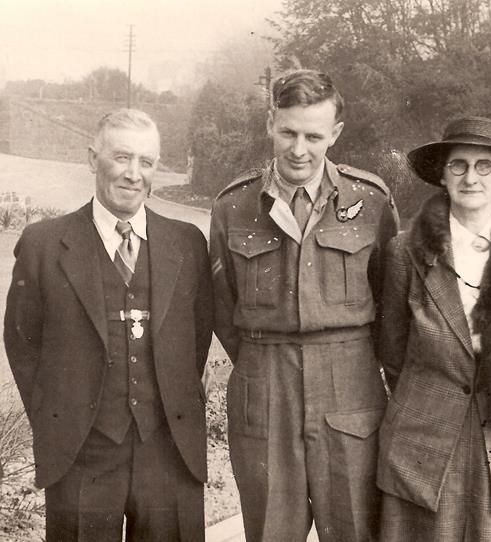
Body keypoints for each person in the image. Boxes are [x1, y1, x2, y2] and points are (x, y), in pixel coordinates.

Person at [4, 109, 213, 542]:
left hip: (169, 453)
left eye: (147, 162)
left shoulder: (187, 243)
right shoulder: (44, 245)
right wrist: (61, 420)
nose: (133, 174)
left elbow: (196, 339)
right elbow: (23, 345)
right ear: (92, 158)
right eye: (121, 157)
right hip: (82, 454)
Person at [210, 69, 399, 542]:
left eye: (313, 136)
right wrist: (260, 359)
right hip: (264, 385)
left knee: (356, 528)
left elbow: (392, 302)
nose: (299, 149)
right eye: (288, 132)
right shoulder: (233, 205)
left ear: (334, 134)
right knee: (272, 531)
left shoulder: (370, 200)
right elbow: (220, 302)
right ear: (270, 122)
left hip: (350, 389)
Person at [377, 116, 491, 541]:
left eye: (484, 166)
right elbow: (392, 353)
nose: (470, 177)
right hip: (424, 442)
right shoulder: (406, 252)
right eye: (458, 165)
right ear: (442, 175)